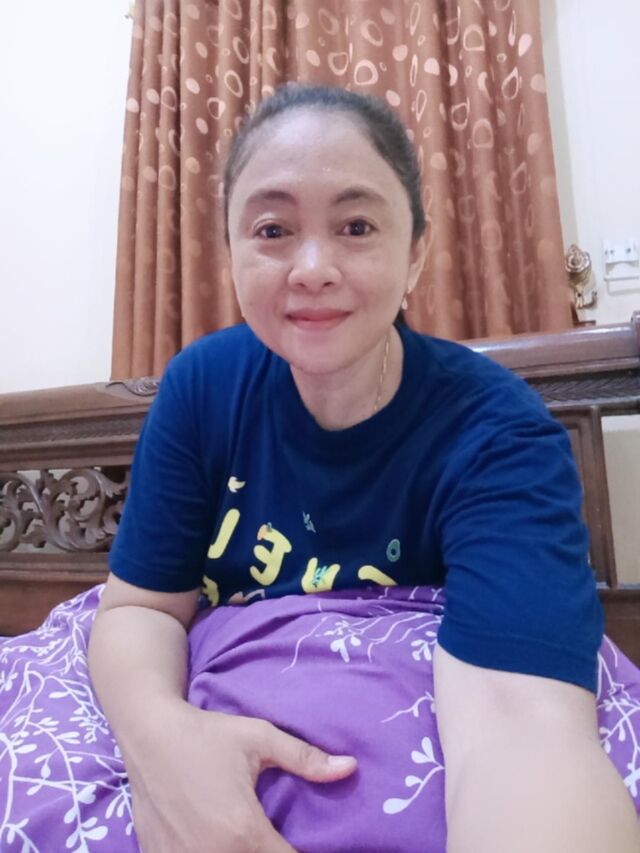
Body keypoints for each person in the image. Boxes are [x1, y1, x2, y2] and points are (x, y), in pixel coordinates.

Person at [87, 85, 639, 852]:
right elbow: (139, 608)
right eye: (273, 229)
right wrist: (162, 740)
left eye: (356, 226)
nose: (312, 268)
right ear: (232, 254)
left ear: (416, 253)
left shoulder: (497, 432)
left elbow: (523, 723)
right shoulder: (201, 388)